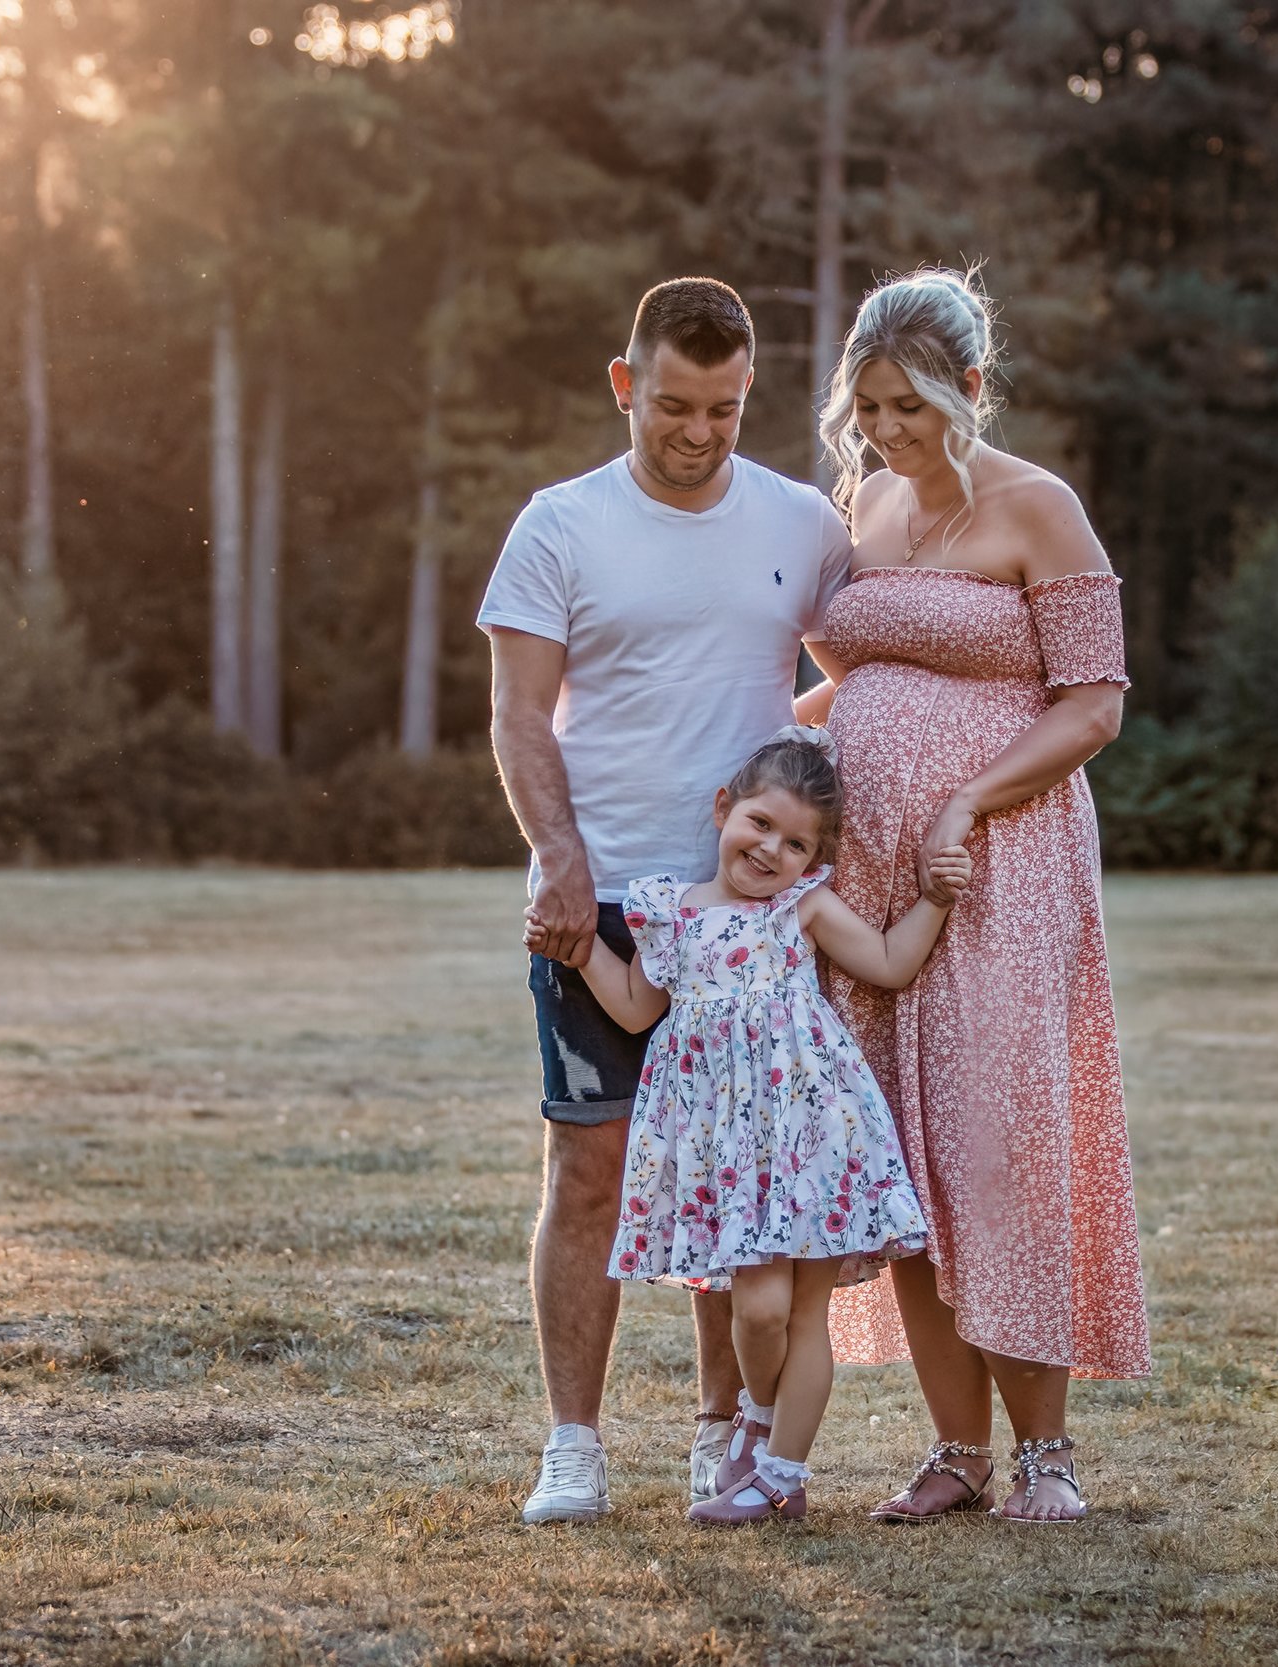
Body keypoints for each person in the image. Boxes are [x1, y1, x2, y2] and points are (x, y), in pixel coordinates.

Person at [479, 277, 856, 1525]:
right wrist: (557, 855)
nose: (699, 432)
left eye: (725, 409)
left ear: (750, 393)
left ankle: (719, 1436)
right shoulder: (559, 525)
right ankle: (573, 1445)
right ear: (624, 383)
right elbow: (518, 715)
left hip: (748, 910)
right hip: (602, 896)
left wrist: (785, 773)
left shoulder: (801, 521)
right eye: (674, 405)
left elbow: (864, 673)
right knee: (589, 1167)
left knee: (733, 1178)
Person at [800, 269, 1153, 1525]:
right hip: (870, 874)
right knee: (899, 1152)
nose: (886, 431)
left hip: (1004, 865)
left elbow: (1094, 703)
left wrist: (964, 801)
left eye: (909, 405)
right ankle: (957, 1449)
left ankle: (1046, 1451)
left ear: (971, 387)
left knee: (995, 1144)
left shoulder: (1038, 507)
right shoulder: (868, 503)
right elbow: (856, 674)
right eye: (868, 407)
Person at [565, 730, 970, 1524]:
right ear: (724, 808)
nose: (770, 850)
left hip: (812, 1133)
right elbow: (638, 1008)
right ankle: (756, 1413)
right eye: (760, 823)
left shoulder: (801, 906)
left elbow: (890, 963)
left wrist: (935, 897)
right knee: (757, 1309)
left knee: (803, 1313)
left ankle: (780, 1476)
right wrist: (581, 952)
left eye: (796, 843)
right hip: (728, 1150)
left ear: (813, 859)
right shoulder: (671, 913)